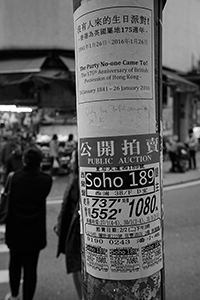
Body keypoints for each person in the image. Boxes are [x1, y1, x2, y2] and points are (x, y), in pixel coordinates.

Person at [4, 146, 52, 300]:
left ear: (24, 160)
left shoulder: (13, 178)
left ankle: (14, 295)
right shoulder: (46, 180)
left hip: (15, 230)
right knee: (31, 268)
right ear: (40, 161)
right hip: (35, 231)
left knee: (15, 263)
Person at [54, 149, 82, 300]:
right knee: (78, 268)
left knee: (78, 268)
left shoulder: (76, 180)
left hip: (76, 232)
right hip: (76, 230)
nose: (70, 161)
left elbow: (68, 209)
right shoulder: (76, 178)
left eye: (72, 158)